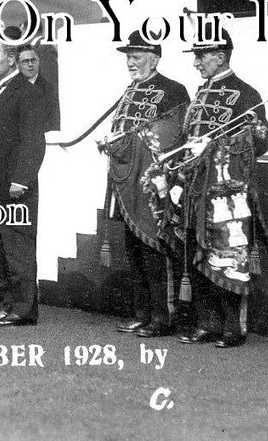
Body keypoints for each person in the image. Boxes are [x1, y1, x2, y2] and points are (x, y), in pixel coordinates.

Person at [168, 30, 268, 349]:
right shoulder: (199, 94)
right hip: (195, 188)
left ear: (220, 56)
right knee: (197, 255)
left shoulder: (246, 94)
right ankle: (207, 323)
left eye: (202, 56)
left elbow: (262, 143)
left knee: (227, 256)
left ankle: (232, 328)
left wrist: (225, 143)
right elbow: (186, 139)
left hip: (226, 192)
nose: (196, 63)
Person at [100, 31, 189, 339]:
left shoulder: (173, 91)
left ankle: (163, 317)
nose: (130, 62)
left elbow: (174, 134)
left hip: (153, 186)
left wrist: (132, 140)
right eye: (128, 56)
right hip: (127, 184)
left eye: (136, 57)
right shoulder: (129, 91)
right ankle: (142, 313)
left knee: (155, 249)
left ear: (154, 59)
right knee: (134, 250)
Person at [0, 38, 46, 327]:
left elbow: (33, 140)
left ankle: (23, 308)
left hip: (15, 188)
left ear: (11, 60)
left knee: (18, 249)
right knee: (1, 249)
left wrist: (21, 180)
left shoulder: (24, 91)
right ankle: (10, 305)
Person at [16, 44, 60, 131]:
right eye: (25, 61)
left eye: (33, 60)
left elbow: (53, 123)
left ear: (39, 62)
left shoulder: (49, 90)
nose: (30, 64)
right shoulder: (12, 87)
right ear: (17, 65)